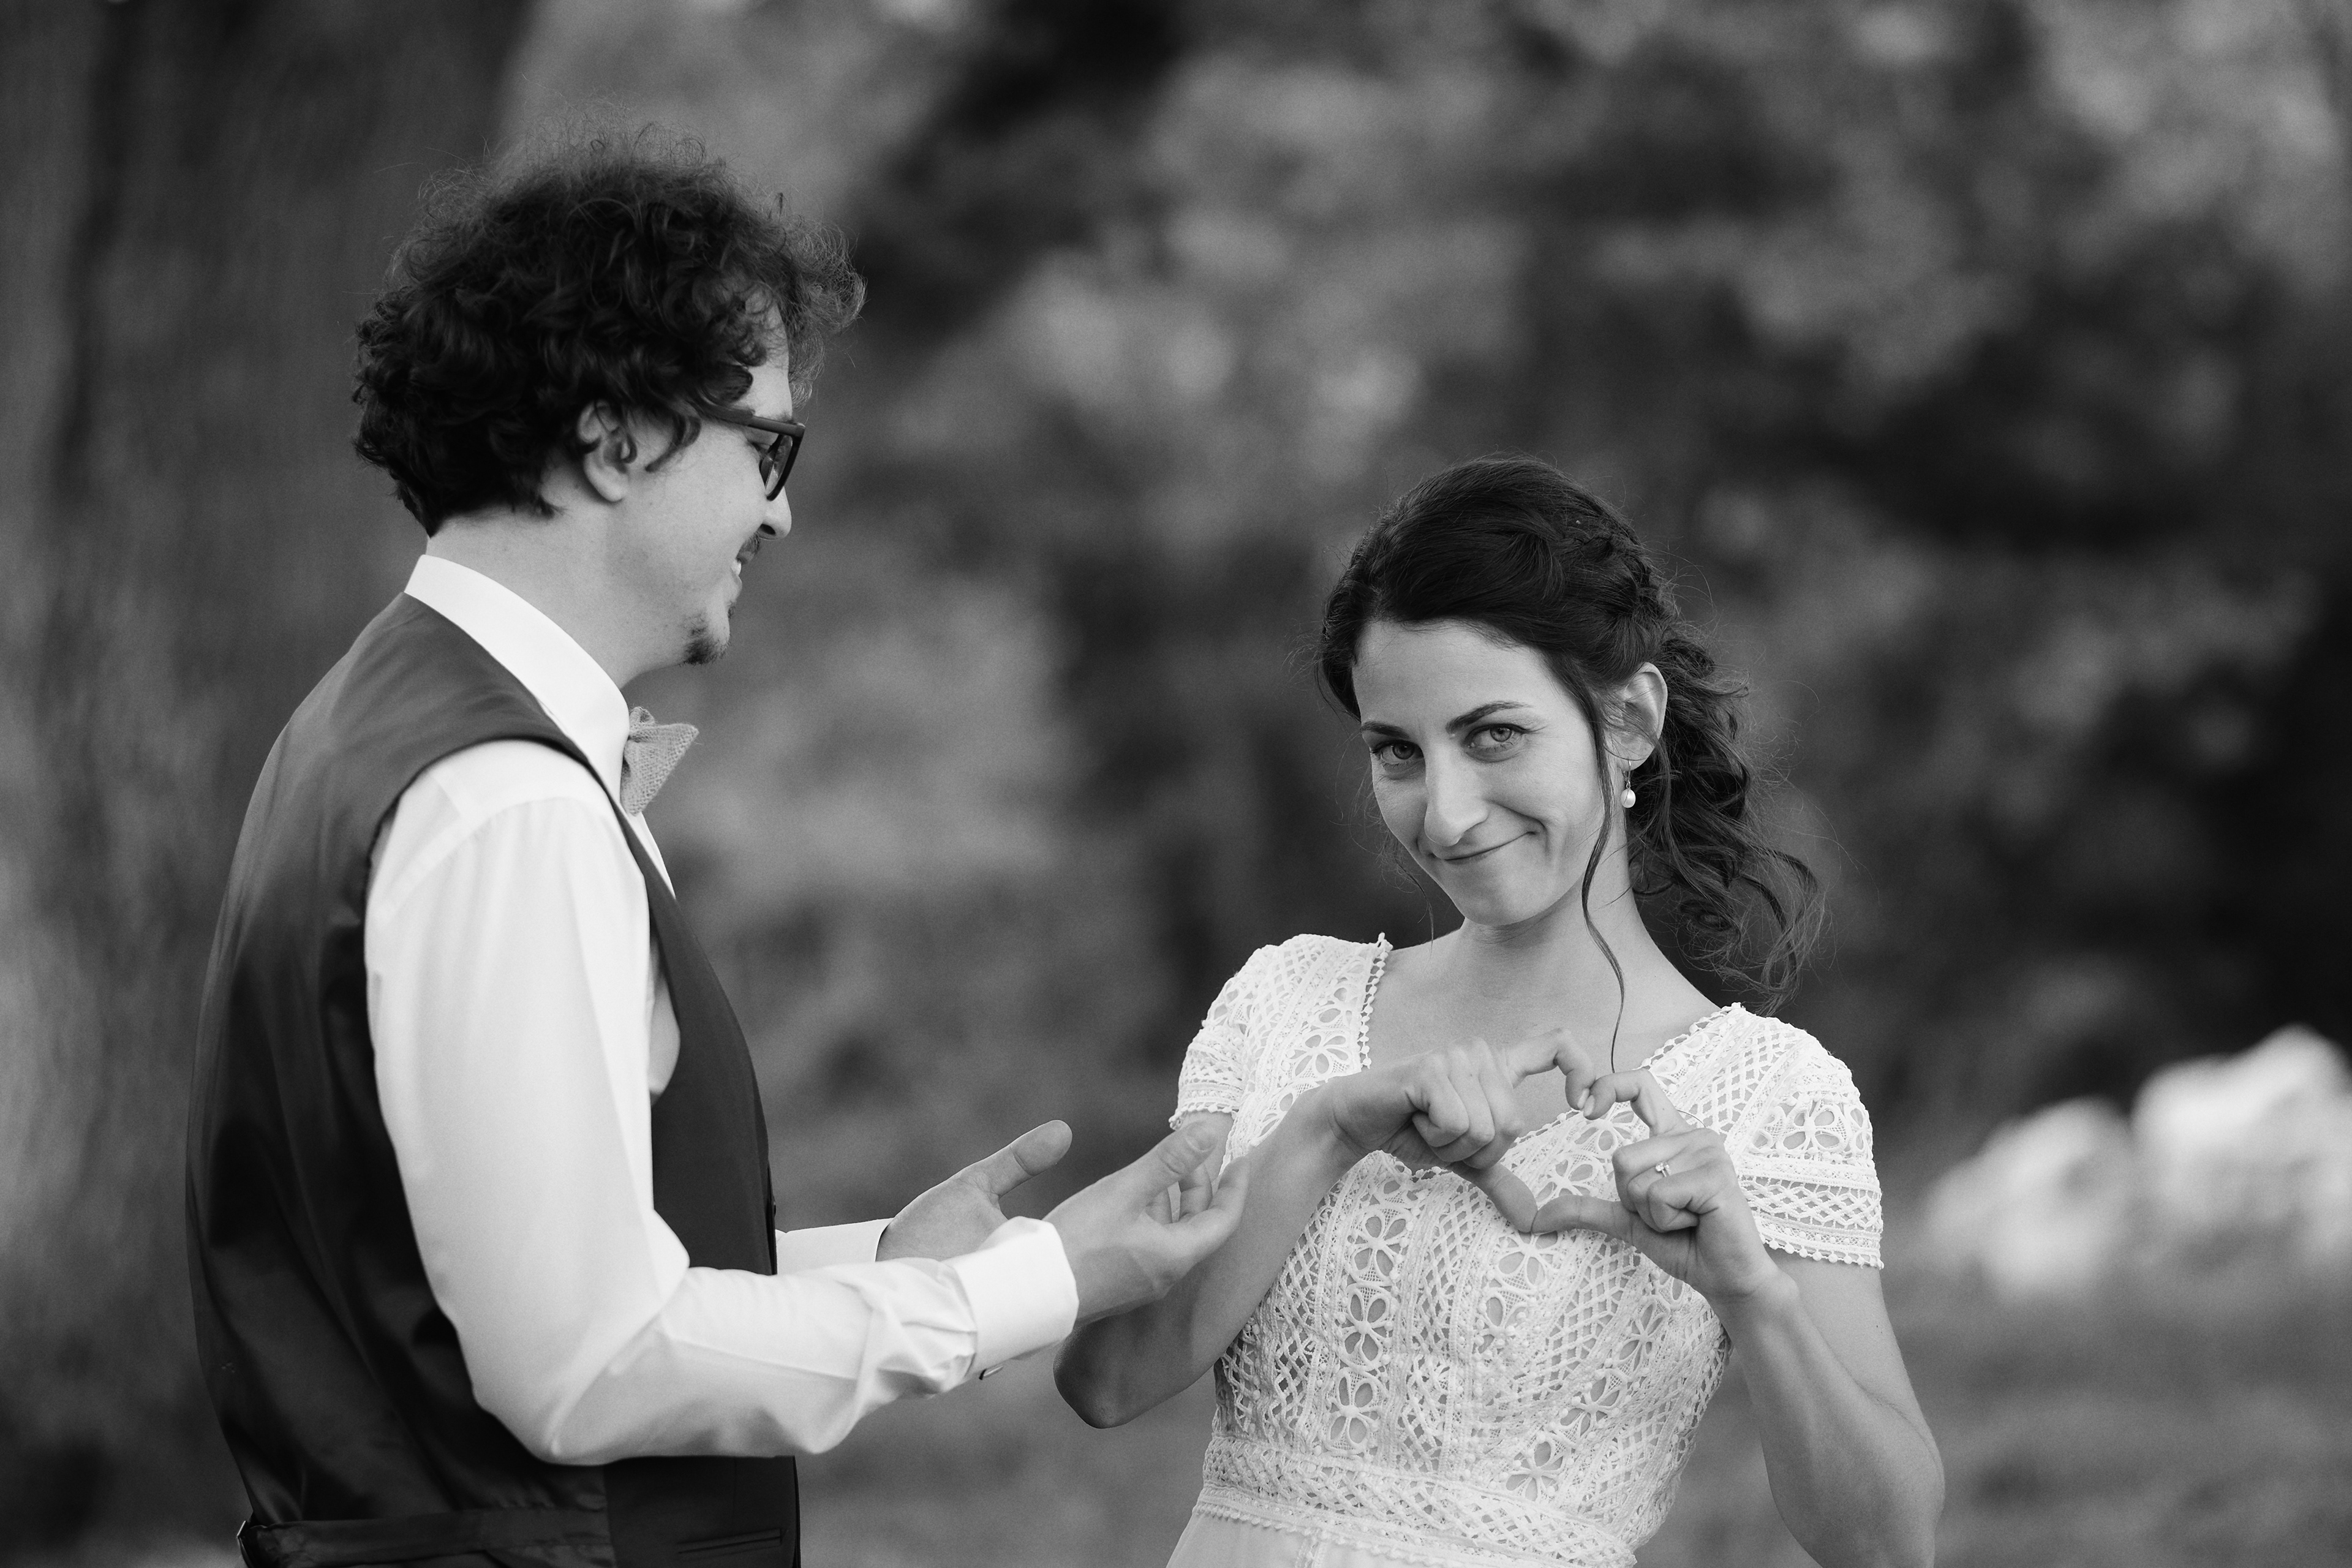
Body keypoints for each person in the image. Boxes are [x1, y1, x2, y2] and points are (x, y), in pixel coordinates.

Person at [185, 134, 1246, 1568]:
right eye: (766, 446)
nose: (781, 507)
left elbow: (482, 1284)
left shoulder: (372, 733)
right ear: (617, 438)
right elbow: (592, 1362)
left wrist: (887, 1263)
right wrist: (1044, 1282)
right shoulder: (506, 799)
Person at [1056, 457, 1944, 1568]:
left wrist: (1754, 1293)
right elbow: (1106, 1381)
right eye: (1398, 752)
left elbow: (1887, 1545)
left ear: (1629, 719)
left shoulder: (1769, 1097)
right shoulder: (1286, 1003)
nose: (1447, 814)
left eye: (1492, 736)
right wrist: (1322, 1133)